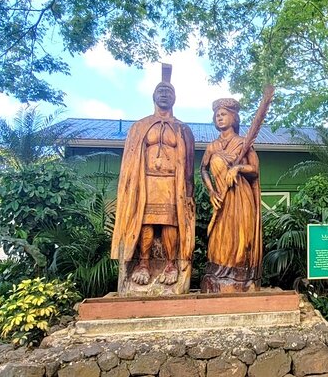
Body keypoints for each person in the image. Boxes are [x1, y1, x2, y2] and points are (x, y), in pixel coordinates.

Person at [110, 65, 195, 295]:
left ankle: (170, 264)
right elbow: (129, 159)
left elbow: (189, 165)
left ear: (175, 98)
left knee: (170, 224)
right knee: (145, 223)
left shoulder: (183, 128)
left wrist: (189, 192)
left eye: (169, 90)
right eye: (160, 90)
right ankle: (144, 263)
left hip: (171, 184)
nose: (164, 93)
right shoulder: (140, 127)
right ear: (154, 96)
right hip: (146, 183)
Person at [200, 98, 262, 293]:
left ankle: (241, 276)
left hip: (241, 197)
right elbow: (203, 170)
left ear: (233, 117)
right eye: (217, 115)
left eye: (223, 114)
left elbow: (255, 170)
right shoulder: (212, 147)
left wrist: (238, 168)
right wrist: (211, 192)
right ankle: (217, 274)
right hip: (222, 198)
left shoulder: (243, 143)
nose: (219, 117)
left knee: (241, 236)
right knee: (219, 237)